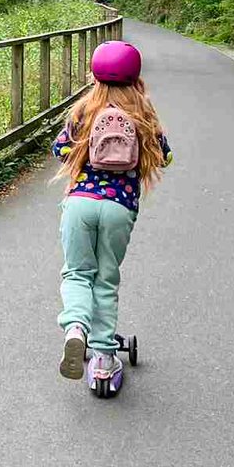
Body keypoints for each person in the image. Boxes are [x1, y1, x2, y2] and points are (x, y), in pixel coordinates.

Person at [52, 39, 171, 391]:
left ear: (96, 76)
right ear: (136, 78)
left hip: (79, 205)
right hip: (119, 208)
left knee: (77, 274)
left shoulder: (84, 112)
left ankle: (76, 328)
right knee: (105, 279)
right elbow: (164, 157)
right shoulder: (144, 115)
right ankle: (104, 360)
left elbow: (59, 150)